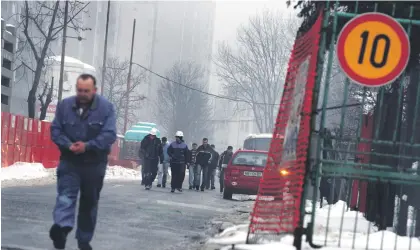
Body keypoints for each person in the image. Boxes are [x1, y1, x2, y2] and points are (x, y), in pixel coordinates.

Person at [49, 74, 117, 250]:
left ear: (95, 90)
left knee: (89, 202)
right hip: (70, 161)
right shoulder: (65, 106)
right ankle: (62, 230)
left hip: (94, 164)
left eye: (86, 91)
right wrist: (68, 145)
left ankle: (84, 240)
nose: (82, 94)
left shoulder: (106, 108)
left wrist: (87, 146)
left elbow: (109, 134)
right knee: (65, 197)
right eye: (79, 90)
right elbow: (56, 130)